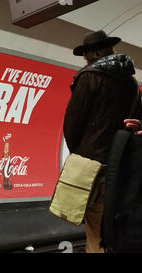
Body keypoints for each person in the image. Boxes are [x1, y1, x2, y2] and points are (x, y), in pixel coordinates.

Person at [63, 30, 142, 253]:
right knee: (118, 229)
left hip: (94, 168)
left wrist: (80, 155)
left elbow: (72, 125)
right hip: (124, 169)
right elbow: (137, 122)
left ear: (88, 54)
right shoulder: (131, 82)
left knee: (96, 231)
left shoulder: (88, 77)